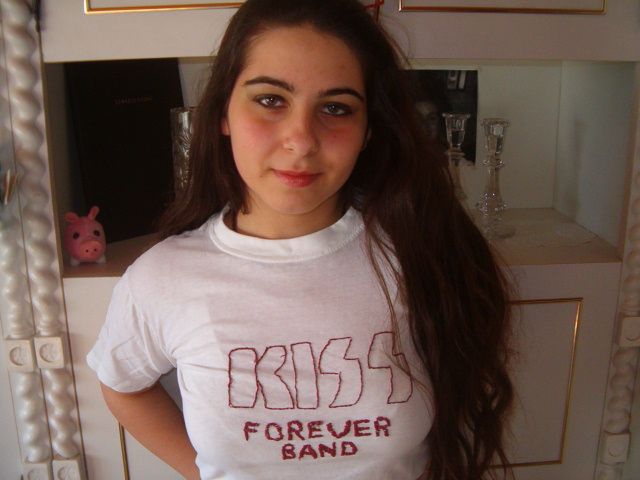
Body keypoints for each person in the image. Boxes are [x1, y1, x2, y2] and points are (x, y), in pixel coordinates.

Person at [87, 0, 515, 479]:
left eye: (335, 108)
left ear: (368, 130)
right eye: (271, 100)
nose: (302, 139)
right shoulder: (162, 278)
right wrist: (203, 471)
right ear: (223, 111)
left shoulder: (416, 252)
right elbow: (121, 385)